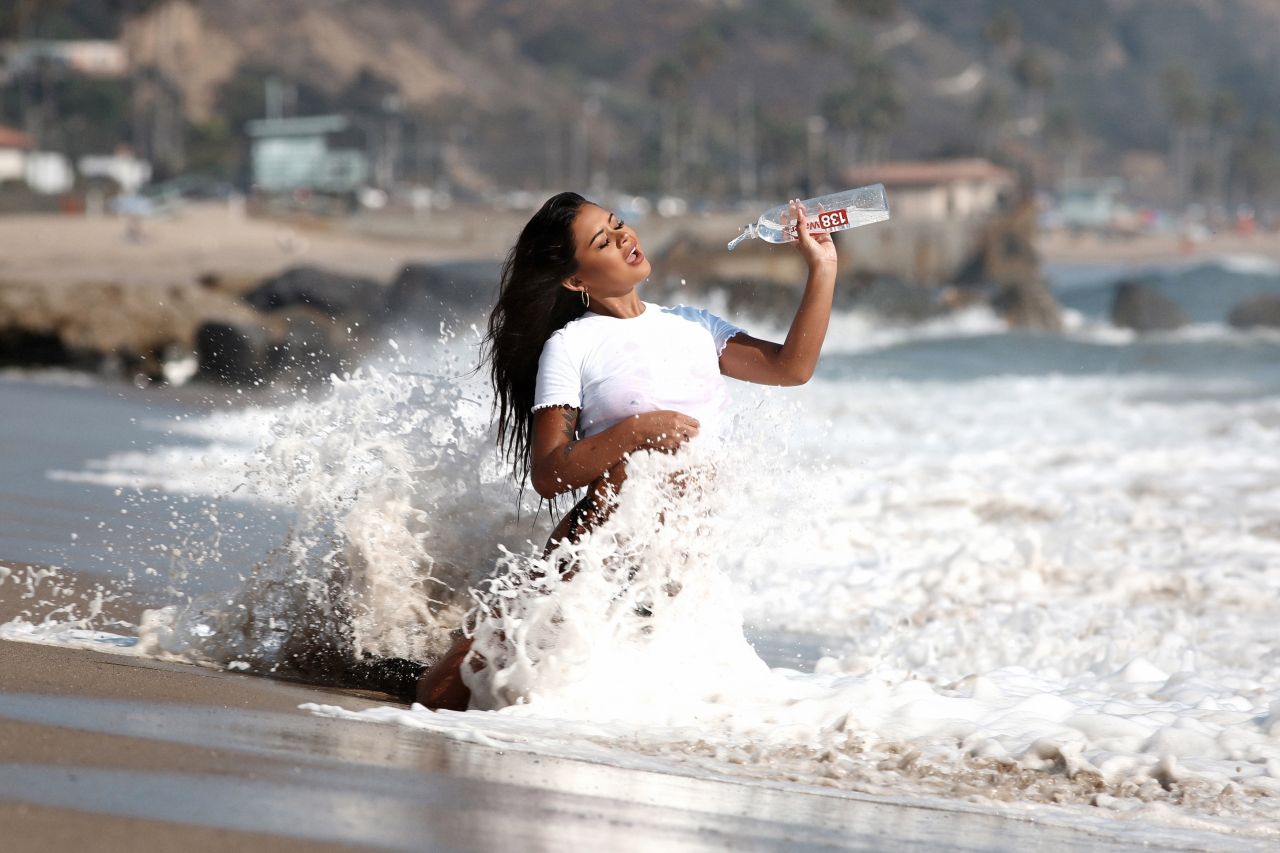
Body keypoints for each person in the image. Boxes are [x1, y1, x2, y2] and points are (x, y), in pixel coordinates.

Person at [416, 190, 838, 710]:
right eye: (603, 241)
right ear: (576, 279)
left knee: (663, 697)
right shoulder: (571, 346)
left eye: (618, 225)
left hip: (677, 563)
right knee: (450, 688)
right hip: (597, 550)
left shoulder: (695, 326)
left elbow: (790, 369)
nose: (623, 238)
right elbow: (549, 472)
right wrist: (635, 430)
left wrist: (822, 269)